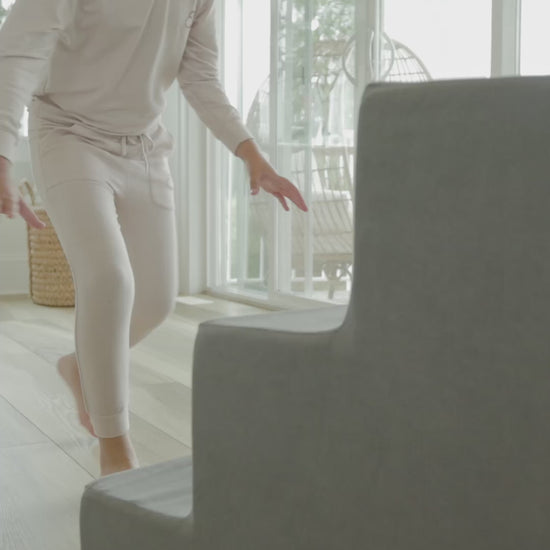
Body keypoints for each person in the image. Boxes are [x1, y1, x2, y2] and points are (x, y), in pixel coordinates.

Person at [0, 0, 308, 477]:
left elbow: (200, 77)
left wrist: (251, 152)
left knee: (157, 301)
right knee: (108, 279)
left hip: (145, 147)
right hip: (68, 135)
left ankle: (82, 367)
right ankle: (116, 450)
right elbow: (18, 52)